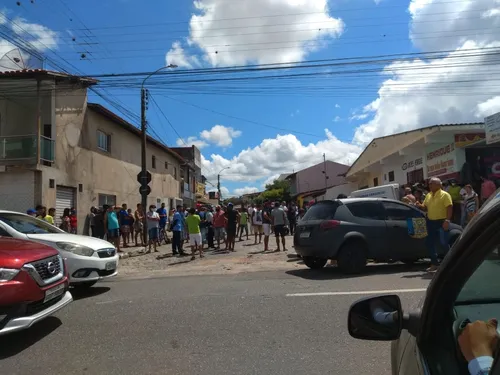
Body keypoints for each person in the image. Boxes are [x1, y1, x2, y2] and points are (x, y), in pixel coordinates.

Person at [415, 177, 452, 272]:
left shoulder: (445, 195)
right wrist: (419, 205)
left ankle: (450, 263)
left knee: (444, 243)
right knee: (429, 243)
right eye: (430, 183)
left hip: (442, 221)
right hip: (431, 222)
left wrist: (447, 220)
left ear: (438, 185)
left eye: (432, 183)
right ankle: (434, 263)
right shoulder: (428, 195)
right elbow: (425, 208)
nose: (430, 185)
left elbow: (449, 207)